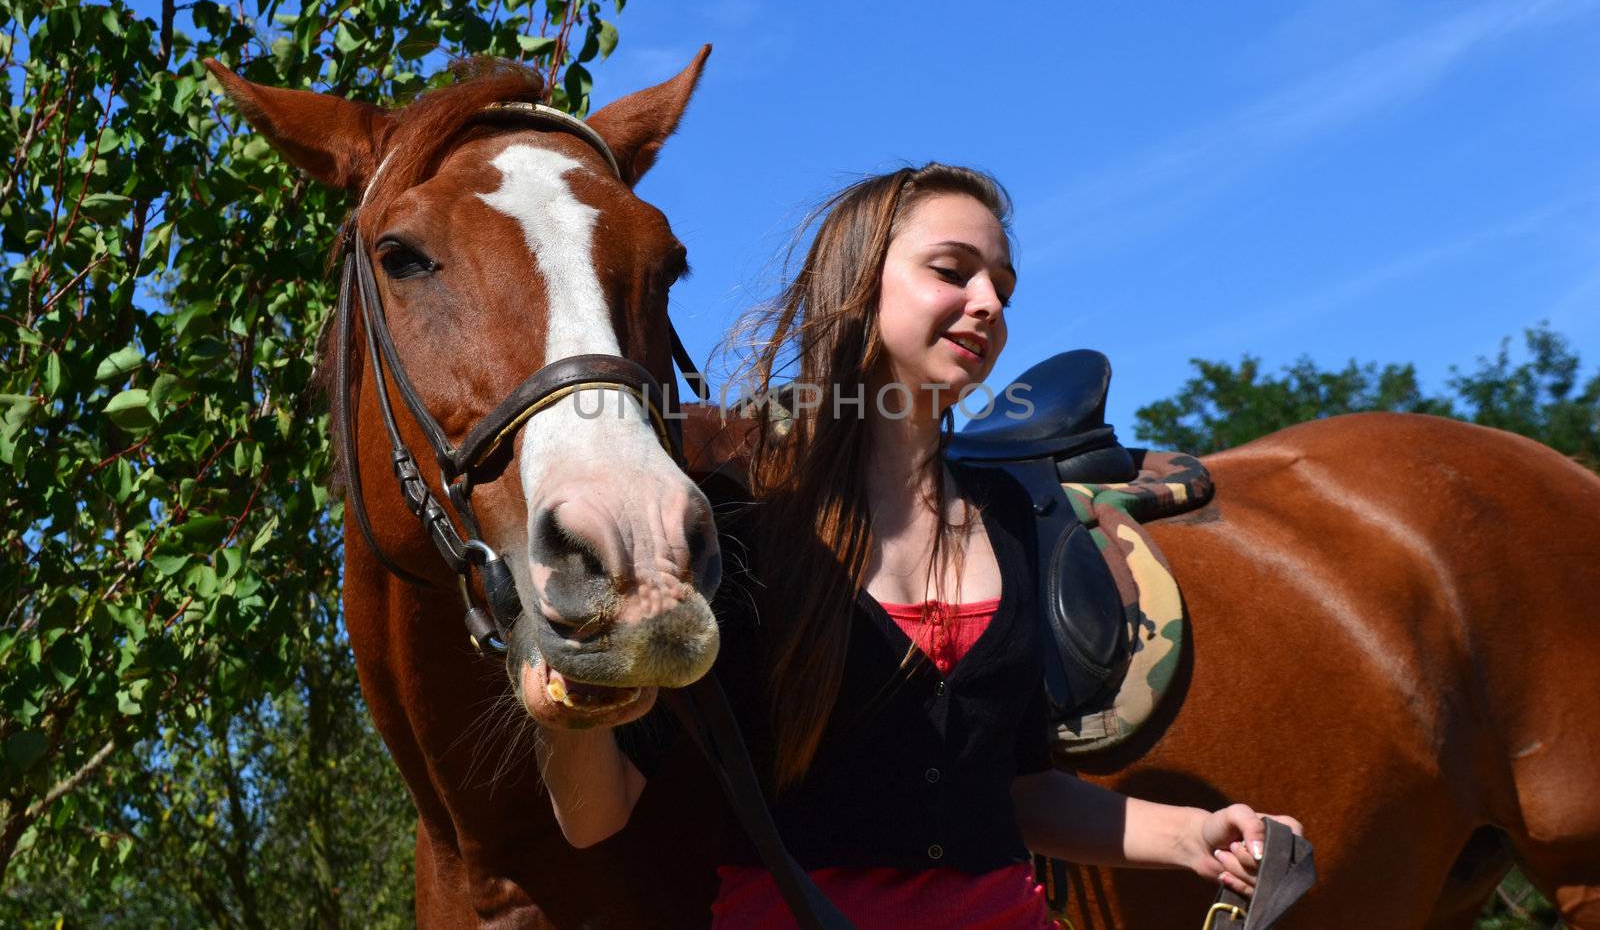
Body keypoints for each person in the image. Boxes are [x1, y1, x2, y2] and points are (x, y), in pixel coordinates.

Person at [536, 163, 1302, 928]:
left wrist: (1195, 837)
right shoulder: (745, 524)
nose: (989, 304)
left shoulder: (1010, 514)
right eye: (952, 271)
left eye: (1003, 285)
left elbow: (1022, 792)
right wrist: (559, 698)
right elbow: (593, 815)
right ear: (859, 282)